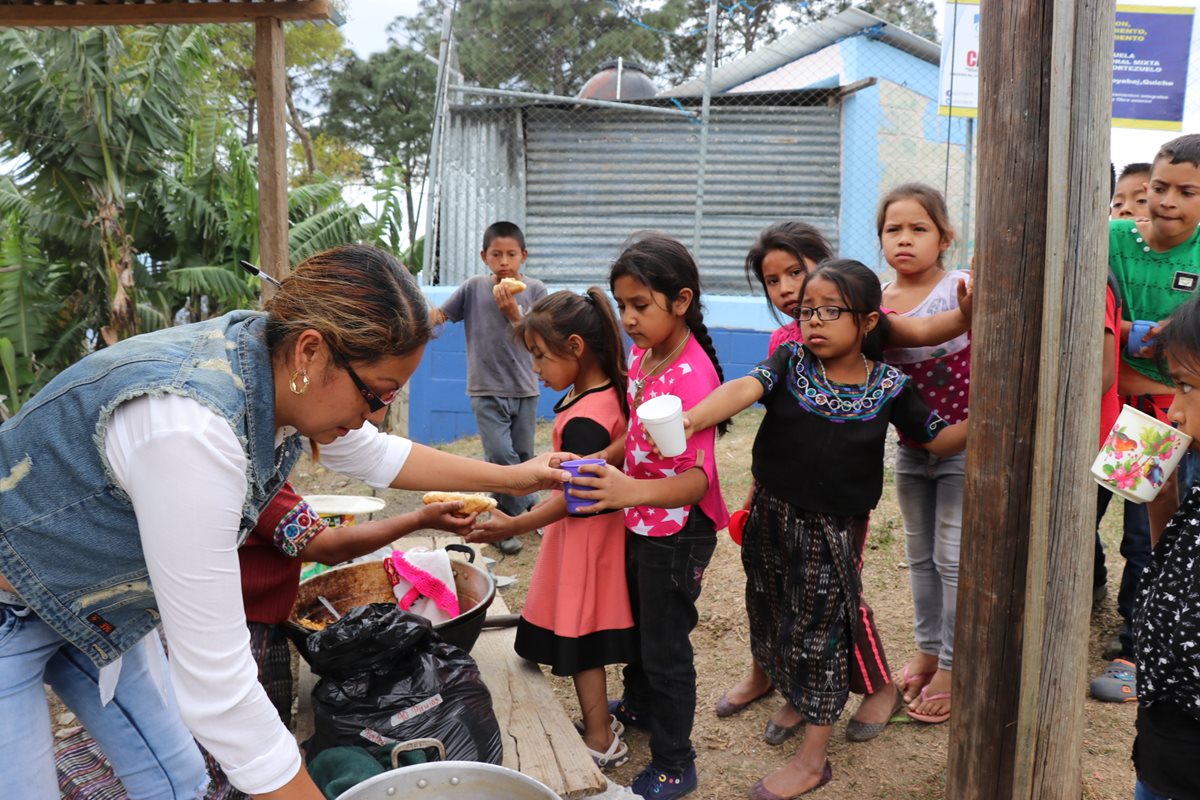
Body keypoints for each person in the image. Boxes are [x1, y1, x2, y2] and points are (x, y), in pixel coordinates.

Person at [0, 244, 571, 800]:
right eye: (377, 394)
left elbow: (376, 453)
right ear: (311, 352)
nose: (375, 413)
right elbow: (220, 693)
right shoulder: (191, 434)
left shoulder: (269, 365)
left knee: (178, 781)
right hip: (11, 605)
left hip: (102, 607)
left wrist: (520, 475)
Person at [670, 259, 966, 799]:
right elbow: (744, 387)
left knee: (820, 636)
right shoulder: (790, 362)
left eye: (831, 311)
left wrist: (992, 416)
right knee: (771, 611)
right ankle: (792, 695)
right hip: (770, 517)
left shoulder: (891, 386)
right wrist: (694, 417)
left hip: (833, 528)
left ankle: (813, 760)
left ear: (869, 321)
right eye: (808, 311)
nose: (814, 322)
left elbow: (937, 437)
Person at [718, 222, 909, 745]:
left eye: (795, 273)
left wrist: (963, 315)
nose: (786, 290)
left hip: (836, 499)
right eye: (772, 280)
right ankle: (773, 678)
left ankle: (877, 685)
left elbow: (912, 334)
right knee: (771, 587)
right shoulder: (791, 340)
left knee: (832, 598)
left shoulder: (850, 322)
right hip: (779, 491)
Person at [568, 232, 731, 800]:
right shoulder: (645, 354)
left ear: (680, 301)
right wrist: (597, 464)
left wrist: (624, 489)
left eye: (641, 305)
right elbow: (636, 434)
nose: (629, 319)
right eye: (622, 307)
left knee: (665, 647)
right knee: (637, 625)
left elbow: (696, 481)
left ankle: (674, 761)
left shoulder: (693, 379)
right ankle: (638, 706)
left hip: (677, 532)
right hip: (639, 518)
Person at [202, 481, 476, 798]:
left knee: (265, 735)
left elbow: (373, 452)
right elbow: (326, 546)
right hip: (235, 624)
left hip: (258, 617)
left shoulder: (262, 464)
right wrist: (420, 519)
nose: (361, 428)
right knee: (242, 751)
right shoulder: (247, 474)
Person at [466, 288, 637, 770]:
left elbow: (572, 498)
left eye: (541, 357)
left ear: (577, 348)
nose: (536, 369)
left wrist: (516, 520)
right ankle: (602, 724)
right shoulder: (606, 393)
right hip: (596, 537)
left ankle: (601, 739)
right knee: (585, 635)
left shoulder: (586, 418)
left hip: (585, 540)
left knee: (582, 642)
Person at [1095, 134, 1200, 703]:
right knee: (1081, 512)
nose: (1167, 201)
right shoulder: (1110, 239)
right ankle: (1087, 597)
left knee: (1152, 532)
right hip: (1115, 404)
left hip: (1174, 414)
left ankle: (1137, 646)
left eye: (1187, 191)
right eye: (1159, 187)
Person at [877, 183, 970, 725]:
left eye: (919, 229)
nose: (905, 239)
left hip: (963, 446)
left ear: (944, 238)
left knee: (952, 557)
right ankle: (928, 650)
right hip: (911, 450)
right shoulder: (877, 304)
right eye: (894, 229)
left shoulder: (960, 289)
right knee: (918, 557)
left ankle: (955, 666)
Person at [431, 220, 548, 556]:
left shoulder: (535, 290)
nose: (504, 262)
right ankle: (512, 516)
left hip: (525, 388)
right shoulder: (473, 288)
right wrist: (412, 323)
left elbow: (539, 338)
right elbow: (440, 315)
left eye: (511, 254)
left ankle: (516, 510)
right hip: (484, 389)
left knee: (524, 457)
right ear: (484, 257)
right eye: (496, 254)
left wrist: (514, 312)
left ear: (523, 256)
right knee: (499, 458)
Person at [1128, 295, 1200, 800]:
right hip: (1165, 718)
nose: (1172, 409)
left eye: (1187, 386)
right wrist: (1157, 493)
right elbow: (1167, 567)